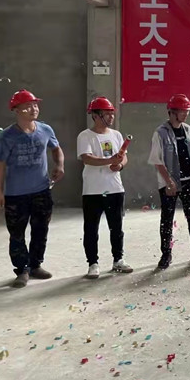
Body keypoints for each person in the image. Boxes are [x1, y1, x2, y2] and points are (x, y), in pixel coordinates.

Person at [0, 90, 64, 288]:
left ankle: (35, 265)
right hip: (15, 194)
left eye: (35, 105)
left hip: (41, 190)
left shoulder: (45, 130)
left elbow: (56, 148)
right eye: (28, 106)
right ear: (16, 110)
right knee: (17, 234)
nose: (34, 109)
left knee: (41, 229)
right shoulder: (6, 137)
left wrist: (59, 165)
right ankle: (21, 270)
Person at [77, 97, 133, 278]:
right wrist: (110, 160)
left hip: (115, 188)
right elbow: (87, 158)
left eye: (111, 113)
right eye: (106, 114)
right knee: (91, 229)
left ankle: (118, 259)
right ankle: (92, 263)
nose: (110, 117)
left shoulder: (116, 135)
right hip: (93, 190)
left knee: (116, 227)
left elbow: (124, 157)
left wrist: (120, 165)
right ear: (95, 115)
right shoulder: (85, 136)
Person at [148, 94, 190, 269]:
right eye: (182, 111)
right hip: (170, 182)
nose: (186, 114)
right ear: (172, 112)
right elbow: (157, 160)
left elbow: (189, 152)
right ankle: (166, 255)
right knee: (167, 219)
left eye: (187, 111)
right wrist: (169, 182)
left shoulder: (188, 129)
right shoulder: (160, 133)